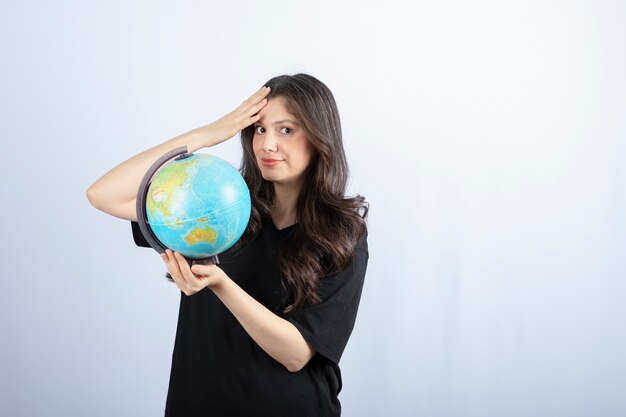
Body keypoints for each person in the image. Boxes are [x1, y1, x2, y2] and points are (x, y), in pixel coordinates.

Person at [86, 73, 369, 417]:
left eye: (286, 130)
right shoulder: (215, 209)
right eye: (259, 129)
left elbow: (296, 354)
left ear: (319, 136)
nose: (267, 144)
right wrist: (205, 135)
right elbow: (103, 194)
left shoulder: (341, 234)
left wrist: (221, 284)